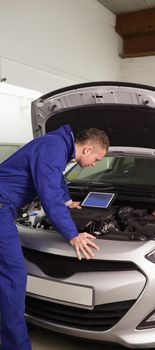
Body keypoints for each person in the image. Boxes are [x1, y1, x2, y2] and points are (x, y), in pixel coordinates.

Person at [0, 124, 109, 350]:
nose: (95, 165)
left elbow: (56, 179)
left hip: (5, 207)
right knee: (14, 274)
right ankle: (15, 345)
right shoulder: (53, 147)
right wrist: (73, 235)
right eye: (97, 160)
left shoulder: (58, 146)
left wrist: (68, 202)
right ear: (87, 149)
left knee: (7, 275)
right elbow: (48, 194)